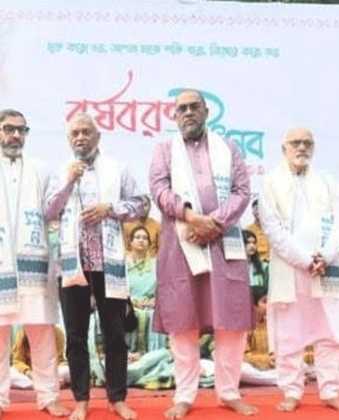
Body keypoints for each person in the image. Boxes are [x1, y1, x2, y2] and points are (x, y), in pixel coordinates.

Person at [149, 89, 257, 418]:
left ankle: (228, 392)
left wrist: (215, 223)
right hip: (181, 244)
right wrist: (192, 217)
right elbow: (158, 189)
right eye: (181, 108)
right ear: (174, 115)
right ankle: (184, 395)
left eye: (194, 107)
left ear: (207, 111)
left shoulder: (229, 149)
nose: (188, 113)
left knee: (231, 321)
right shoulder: (164, 150)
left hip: (224, 244)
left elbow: (242, 192)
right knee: (183, 321)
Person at [0, 109, 69, 420]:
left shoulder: (42, 170)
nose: (15, 135)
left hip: (34, 267)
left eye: (21, 130)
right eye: (8, 129)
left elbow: (55, 211)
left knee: (42, 334)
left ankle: (49, 396)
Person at [46, 113, 145, 420]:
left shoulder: (117, 168)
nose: (80, 138)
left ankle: (118, 398)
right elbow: (49, 210)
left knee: (115, 333)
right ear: (68, 139)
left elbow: (141, 203)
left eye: (86, 132)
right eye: (74, 133)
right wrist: (68, 182)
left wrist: (110, 209)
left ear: (97, 137)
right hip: (72, 266)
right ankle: (81, 400)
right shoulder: (60, 171)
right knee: (76, 336)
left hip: (108, 264)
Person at [259, 127, 339, 413]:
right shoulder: (271, 183)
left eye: (307, 143)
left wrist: (326, 255)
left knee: (331, 331)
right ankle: (291, 391)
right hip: (291, 268)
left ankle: (331, 391)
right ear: (284, 149)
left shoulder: (327, 180)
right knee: (289, 332)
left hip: (326, 266)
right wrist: (304, 260)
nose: (302, 148)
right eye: (296, 143)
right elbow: (272, 228)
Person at [125, 226, 167, 355]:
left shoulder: (156, 264)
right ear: (131, 242)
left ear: (149, 243)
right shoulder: (123, 263)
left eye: (144, 238)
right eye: (137, 237)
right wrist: (131, 302)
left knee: (155, 315)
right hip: (127, 304)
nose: (141, 240)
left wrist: (155, 301)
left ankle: (152, 353)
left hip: (150, 305)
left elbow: (163, 288)